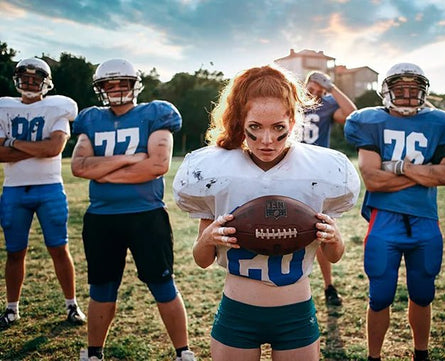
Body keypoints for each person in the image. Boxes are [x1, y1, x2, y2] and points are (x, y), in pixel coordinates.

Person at [173, 64, 360, 361]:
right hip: (237, 311)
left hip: (296, 313)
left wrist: (334, 238)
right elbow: (202, 260)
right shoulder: (215, 170)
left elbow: (334, 255)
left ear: (293, 120)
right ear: (239, 121)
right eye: (255, 128)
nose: (267, 141)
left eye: (278, 129)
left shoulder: (318, 171)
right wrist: (208, 239)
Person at [71, 59, 195, 361]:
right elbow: (78, 166)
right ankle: (94, 353)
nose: (115, 90)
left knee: (163, 284)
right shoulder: (90, 118)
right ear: (100, 89)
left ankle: (183, 352)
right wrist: (128, 160)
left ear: (134, 85)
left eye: (121, 83)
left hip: (146, 215)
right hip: (102, 218)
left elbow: (156, 166)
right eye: (108, 85)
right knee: (101, 287)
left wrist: (100, 170)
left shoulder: (155, 113)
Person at [344, 63, 445, 361]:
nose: (408, 96)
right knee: (380, 295)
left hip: (425, 221)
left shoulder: (439, 123)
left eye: (413, 91)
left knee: (423, 293)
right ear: (387, 92)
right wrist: (423, 174)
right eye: (401, 90)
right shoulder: (370, 122)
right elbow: (372, 179)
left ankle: (421, 355)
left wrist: (400, 168)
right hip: (385, 220)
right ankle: (374, 357)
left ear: (423, 93)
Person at [0, 58, 86, 329]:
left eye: (34, 79)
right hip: (14, 190)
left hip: (49, 188)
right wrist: (36, 146)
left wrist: (12, 142)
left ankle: (71, 305)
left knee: (59, 248)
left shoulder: (57, 107)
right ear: (17, 80)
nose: (29, 83)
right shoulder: (4, 107)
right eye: (24, 78)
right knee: (15, 252)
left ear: (45, 83)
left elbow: (53, 149)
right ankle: (12, 308)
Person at [301, 70, 357, 306]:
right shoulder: (290, 100)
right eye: (311, 89)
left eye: (319, 91)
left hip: (315, 171)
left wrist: (332, 88)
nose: (314, 94)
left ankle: (328, 285)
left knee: (321, 229)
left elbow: (352, 115)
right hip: (286, 169)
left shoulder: (327, 104)